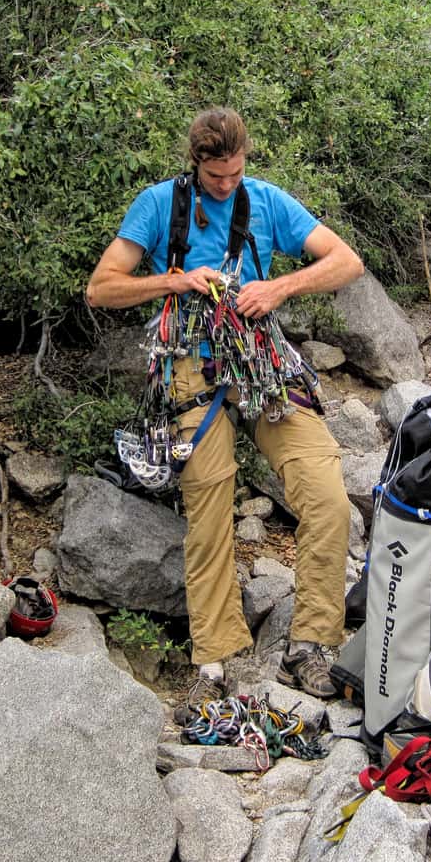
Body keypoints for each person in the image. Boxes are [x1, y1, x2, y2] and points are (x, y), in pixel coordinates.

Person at [87, 107, 364, 717]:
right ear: (196, 164)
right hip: (191, 366)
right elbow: (101, 287)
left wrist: (278, 287)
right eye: (216, 176)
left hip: (262, 360)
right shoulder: (158, 206)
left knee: (326, 494)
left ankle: (311, 643)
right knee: (209, 509)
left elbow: (347, 261)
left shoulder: (265, 200)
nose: (226, 184)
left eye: (235, 173)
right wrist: (175, 282)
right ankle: (214, 660)